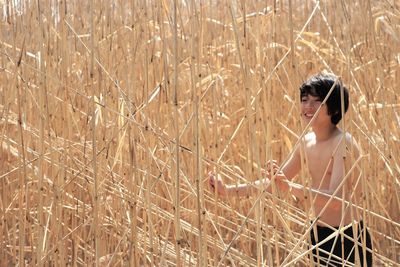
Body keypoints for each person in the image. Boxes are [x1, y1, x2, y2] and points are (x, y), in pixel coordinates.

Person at [209, 73, 373, 266]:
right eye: (305, 100)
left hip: (347, 237)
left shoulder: (344, 143)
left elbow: (336, 200)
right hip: (318, 235)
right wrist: (228, 191)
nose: (308, 107)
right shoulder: (306, 143)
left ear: (334, 108)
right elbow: (276, 184)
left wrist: (291, 187)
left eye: (317, 101)